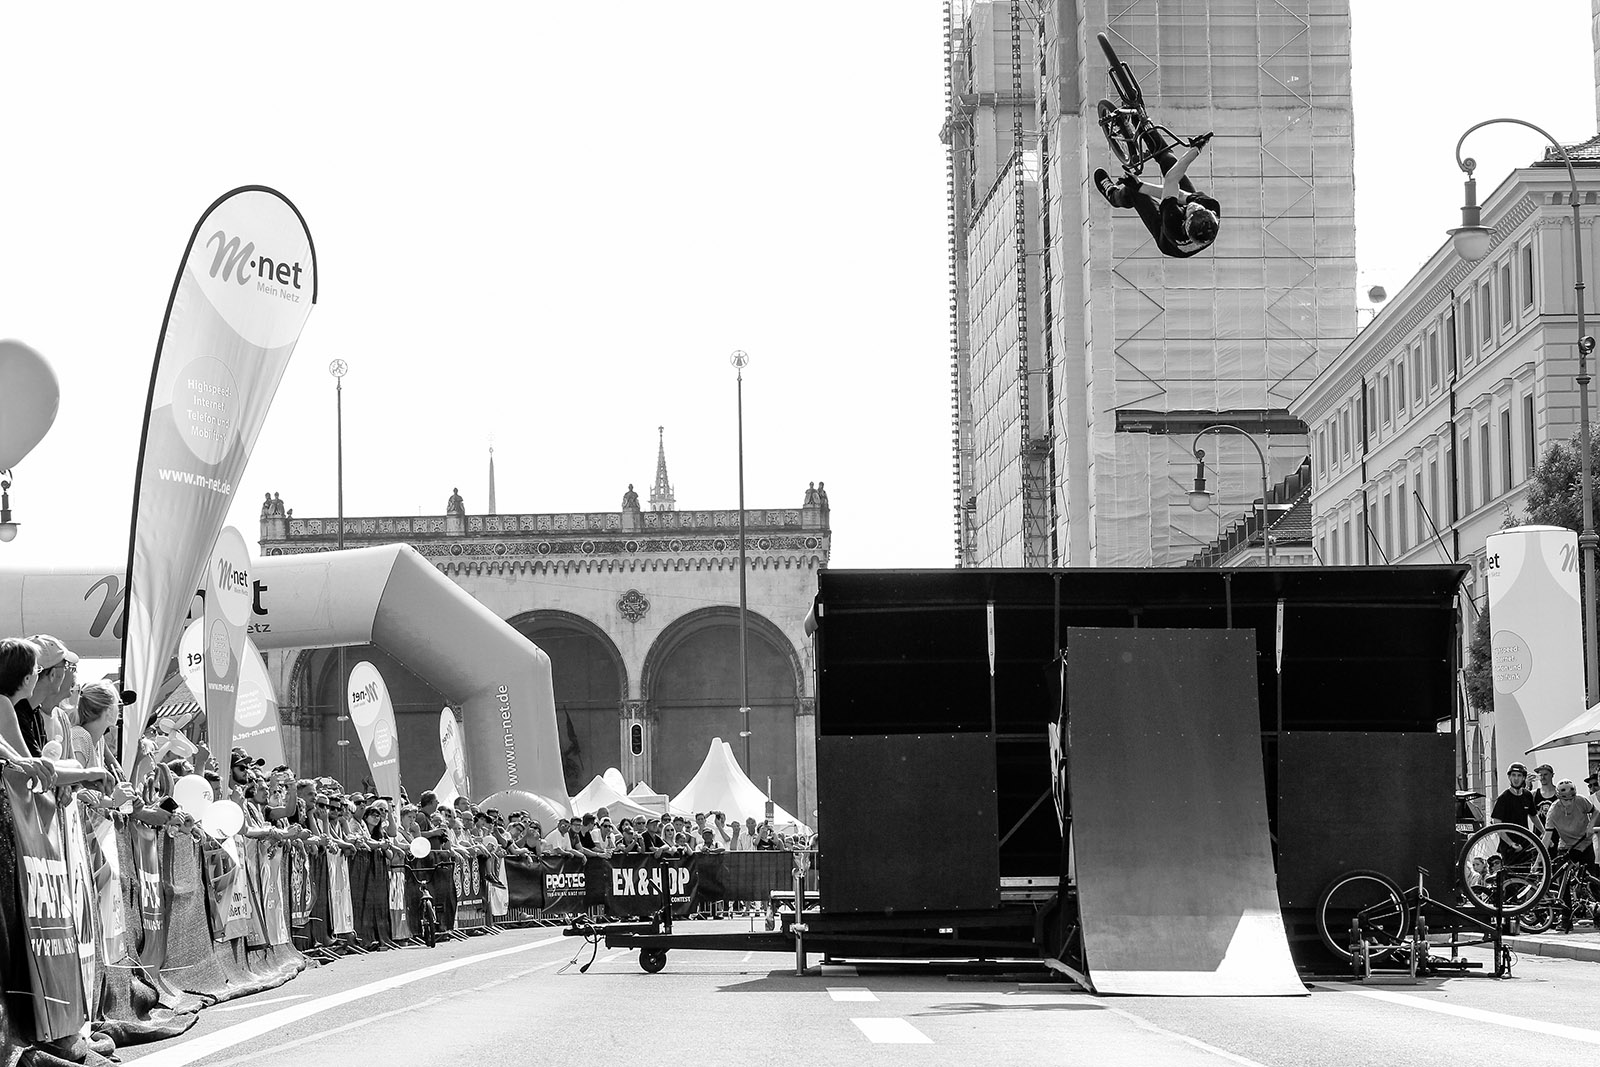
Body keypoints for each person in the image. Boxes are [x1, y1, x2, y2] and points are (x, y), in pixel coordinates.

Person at [1094, 129, 1220, 259]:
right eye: (1199, 209)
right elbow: (1182, 195)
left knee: (1133, 192)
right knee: (1169, 162)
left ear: (1184, 222)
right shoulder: (1211, 208)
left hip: (1167, 242)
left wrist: (1139, 186)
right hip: (1194, 228)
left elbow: (1171, 186)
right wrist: (1197, 147)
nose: (1195, 206)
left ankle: (1113, 196)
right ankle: (1144, 124)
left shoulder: (1172, 221)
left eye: (1192, 211)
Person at [1490, 762, 1541, 833]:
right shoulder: (1503, 798)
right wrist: (1511, 843)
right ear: (1509, 777)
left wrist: (1544, 832)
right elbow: (1497, 824)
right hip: (1508, 842)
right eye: (1513, 775)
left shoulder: (1527, 795)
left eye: (1519, 775)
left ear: (1524, 778)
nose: (1516, 778)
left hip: (1525, 840)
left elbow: (1534, 816)